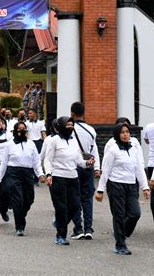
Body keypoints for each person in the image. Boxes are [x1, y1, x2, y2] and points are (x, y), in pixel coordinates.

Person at [95, 123, 150, 255]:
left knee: (135, 214)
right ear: (117, 134)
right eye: (122, 132)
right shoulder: (113, 150)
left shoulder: (133, 149)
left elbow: (139, 169)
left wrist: (145, 187)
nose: (125, 134)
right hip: (116, 184)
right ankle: (120, 244)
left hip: (131, 185)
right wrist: (100, 190)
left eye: (127, 132)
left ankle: (121, 233)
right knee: (119, 215)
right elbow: (106, 170)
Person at [44, 117, 95, 245]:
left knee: (75, 206)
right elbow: (47, 159)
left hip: (73, 177)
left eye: (72, 125)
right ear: (61, 126)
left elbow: (79, 161)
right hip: (58, 177)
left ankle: (60, 222)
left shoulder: (74, 142)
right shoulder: (54, 140)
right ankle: (60, 236)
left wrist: (87, 163)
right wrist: (48, 174)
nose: (70, 127)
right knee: (61, 207)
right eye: (68, 124)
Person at [0, 121, 45, 236]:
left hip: (28, 173)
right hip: (13, 173)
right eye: (20, 129)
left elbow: (36, 161)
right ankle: (19, 226)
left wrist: (40, 174)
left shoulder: (31, 144)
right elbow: (4, 163)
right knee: (18, 200)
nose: (22, 131)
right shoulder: (9, 144)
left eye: (24, 128)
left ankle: (21, 214)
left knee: (29, 199)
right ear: (15, 131)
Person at [70, 102, 101, 240]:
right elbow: (94, 151)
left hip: (74, 165)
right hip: (88, 164)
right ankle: (88, 228)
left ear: (72, 113)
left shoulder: (69, 129)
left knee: (74, 197)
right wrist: (97, 168)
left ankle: (78, 228)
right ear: (84, 113)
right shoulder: (91, 130)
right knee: (87, 198)